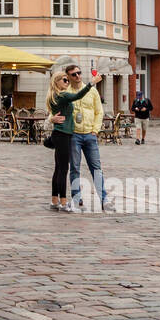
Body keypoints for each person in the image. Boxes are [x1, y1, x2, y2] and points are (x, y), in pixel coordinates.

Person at [44, 70, 103, 212]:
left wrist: (52, 119)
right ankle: (64, 203)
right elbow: (78, 95)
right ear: (56, 82)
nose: (67, 82)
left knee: (58, 169)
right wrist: (92, 83)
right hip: (64, 135)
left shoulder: (54, 96)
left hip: (60, 134)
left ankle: (54, 201)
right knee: (63, 169)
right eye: (64, 80)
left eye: (67, 80)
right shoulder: (63, 95)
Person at [67, 64, 109, 211]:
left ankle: (104, 199)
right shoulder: (67, 93)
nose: (77, 76)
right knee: (75, 169)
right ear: (68, 77)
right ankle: (77, 198)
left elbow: (99, 112)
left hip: (90, 135)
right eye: (74, 74)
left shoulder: (92, 91)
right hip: (74, 136)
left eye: (79, 73)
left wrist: (95, 130)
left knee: (96, 168)